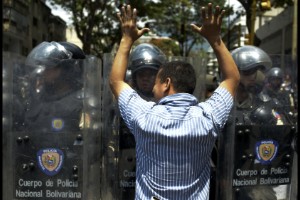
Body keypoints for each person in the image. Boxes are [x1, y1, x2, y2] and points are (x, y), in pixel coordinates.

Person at [109, 3, 240, 200]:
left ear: (166, 84)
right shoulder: (208, 117)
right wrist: (215, 40)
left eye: (156, 80)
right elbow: (232, 78)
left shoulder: (144, 116)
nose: (152, 85)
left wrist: (127, 39)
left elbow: (116, 81)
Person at [23, 41, 86, 133]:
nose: (44, 71)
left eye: (50, 66)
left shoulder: (83, 104)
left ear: (68, 69)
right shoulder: (38, 99)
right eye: (43, 66)